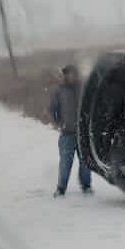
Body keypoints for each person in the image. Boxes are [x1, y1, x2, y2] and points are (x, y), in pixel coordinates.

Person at [49, 65, 92, 197]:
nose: (71, 76)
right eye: (67, 74)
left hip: (83, 133)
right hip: (67, 133)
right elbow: (53, 108)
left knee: (85, 162)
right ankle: (61, 188)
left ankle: (86, 186)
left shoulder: (84, 88)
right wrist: (59, 122)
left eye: (73, 73)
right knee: (65, 162)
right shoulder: (58, 90)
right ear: (64, 75)